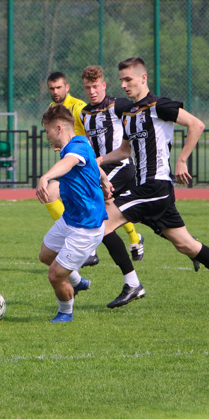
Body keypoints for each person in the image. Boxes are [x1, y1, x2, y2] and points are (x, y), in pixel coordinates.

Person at [97, 57, 209, 311]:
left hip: (154, 187)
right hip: (147, 189)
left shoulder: (160, 106)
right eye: (121, 80)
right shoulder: (127, 113)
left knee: (101, 223)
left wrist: (182, 160)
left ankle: (123, 283)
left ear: (143, 78)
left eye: (129, 79)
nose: (124, 85)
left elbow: (197, 124)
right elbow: (125, 151)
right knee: (186, 244)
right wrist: (99, 160)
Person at [36, 104, 109, 323]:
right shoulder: (80, 145)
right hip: (70, 219)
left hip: (86, 227)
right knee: (46, 255)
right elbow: (91, 164)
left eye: (48, 131)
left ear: (58, 128)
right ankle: (77, 281)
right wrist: (104, 179)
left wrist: (45, 177)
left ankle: (65, 312)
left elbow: (69, 163)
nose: (47, 137)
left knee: (55, 275)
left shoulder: (76, 146)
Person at [79, 65, 146, 299]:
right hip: (101, 171)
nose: (92, 91)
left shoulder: (117, 105)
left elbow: (142, 106)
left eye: (95, 86)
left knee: (98, 217)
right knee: (109, 222)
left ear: (104, 85)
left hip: (120, 168)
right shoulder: (84, 113)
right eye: (87, 87)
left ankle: (87, 254)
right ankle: (133, 279)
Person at [43, 71, 102, 267]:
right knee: (52, 194)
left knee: (108, 212)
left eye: (58, 87)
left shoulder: (78, 107)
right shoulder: (53, 109)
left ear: (67, 87)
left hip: (84, 161)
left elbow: (88, 136)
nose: (55, 91)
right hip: (74, 160)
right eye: (51, 88)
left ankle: (133, 238)